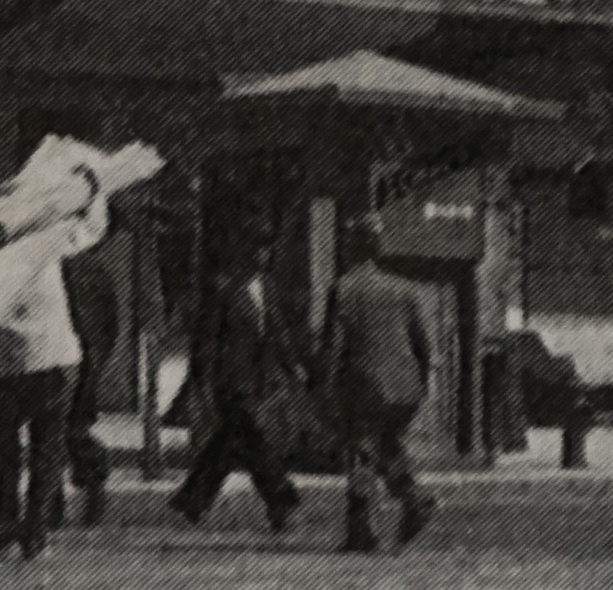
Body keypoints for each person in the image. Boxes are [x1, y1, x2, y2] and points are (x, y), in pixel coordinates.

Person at [169, 230, 303, 534]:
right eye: (256, 250)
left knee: (228, 444)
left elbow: (278, 330)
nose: (262, 257)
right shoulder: (224, 289)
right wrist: (202, 381)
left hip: (258, 381)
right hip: (231, 382)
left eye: (266, 251)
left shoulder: (268, 287)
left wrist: (293, 365)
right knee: (256, 442)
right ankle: (280, 501)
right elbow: (208, 340)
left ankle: (193, 498)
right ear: (244, 253)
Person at [318, 214, 436, 553]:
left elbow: (333, 349)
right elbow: (423, 348)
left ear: (351, 248)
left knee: (360, 452)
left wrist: (324, 391)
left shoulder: (343, 289)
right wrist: (421, 386)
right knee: (387, 447)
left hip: (366, 387)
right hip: (405, 388)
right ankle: (413, 502)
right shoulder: (403, 290)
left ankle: (363, 530)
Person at [0, 252, 81, 561]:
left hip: (9, 365)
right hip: (54, 358)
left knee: (6, 449)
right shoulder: (48, 252)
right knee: (47, 449)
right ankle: (35, 531)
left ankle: (7, 523)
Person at [54, 240, 120, 528]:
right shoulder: (95, 266)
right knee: (71, 427)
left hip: (61, 359)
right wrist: (99, 356)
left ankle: (54, 504)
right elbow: (111, 321)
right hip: (86, 357)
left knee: (53, 430)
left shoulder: (57, 266)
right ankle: (91, 482)